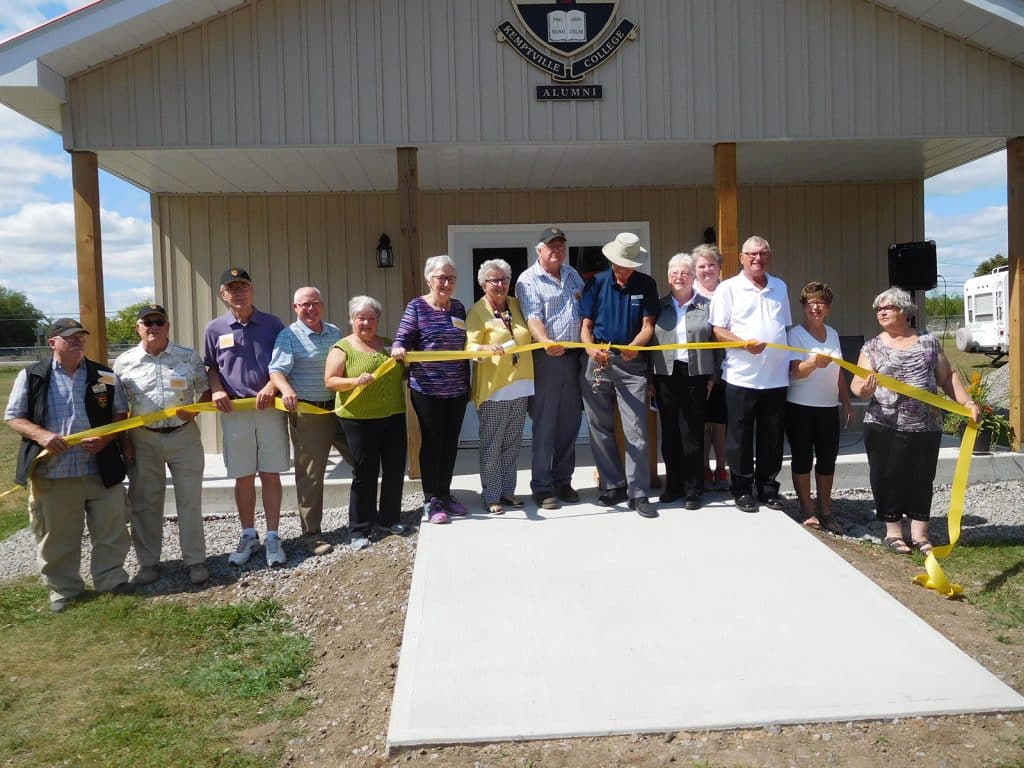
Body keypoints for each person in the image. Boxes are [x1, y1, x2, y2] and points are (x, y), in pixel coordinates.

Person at [5, 319, 133, 612]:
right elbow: (14, 416)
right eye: (69, 338)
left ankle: (111, 579)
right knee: (57, 535)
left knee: (112, 530)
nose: (77, 342)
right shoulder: (33, 375)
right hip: (55, 472)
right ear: (52, 343)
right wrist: (42, 435)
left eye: (80, 337)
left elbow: (121, 413)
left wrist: (106, 438)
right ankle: (64, 590)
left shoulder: (104, 374)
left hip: (101, 468)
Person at [850, 287, 979, 554]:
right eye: (878, 309)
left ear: (905, 312)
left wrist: (967, 403)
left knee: (921, 477)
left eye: (888, 307)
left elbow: (946, 377)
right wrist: (866, 389)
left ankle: (920, 535)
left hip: (926, 425)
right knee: (887, 477)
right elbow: (857, 387)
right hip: (884, 425)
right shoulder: (872, 347)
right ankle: (894, 532)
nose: (882, 312)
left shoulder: (929, 341)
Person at [114, 304, 211, 586]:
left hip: (184, 436)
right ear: (138, 327)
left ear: (168, 326)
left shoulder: (187, 356)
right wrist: (124, 441)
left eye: (159, 322)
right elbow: (119, 407)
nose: (153, 327)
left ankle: (195, 560)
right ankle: (148, 563)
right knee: (145, 503)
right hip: (143, 438)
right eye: (148, 323)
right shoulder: (124, 362)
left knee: (190, 501)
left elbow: (206, 388)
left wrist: (195, 410)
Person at [204, 266, 289, 567]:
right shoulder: (215, 329)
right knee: (242, 475)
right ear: (223, 294)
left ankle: (274, 536)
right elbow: (212, 367)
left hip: (268, 408)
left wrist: (270, 386)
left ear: (252, 290)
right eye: (232, 288)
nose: (238, 293)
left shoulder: (272, 324)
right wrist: (216, 390)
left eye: (243, 287)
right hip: (234, 411)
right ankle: (248, 534)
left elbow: (282, 361)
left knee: (270, 472)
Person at [709, 235, 792, 514]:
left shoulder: (780, 286)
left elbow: (785, 328)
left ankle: (768, 489)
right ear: (742, 258)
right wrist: (742, 344)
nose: (758, 258)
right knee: (740, 438)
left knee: (772, 437)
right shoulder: (728, 288)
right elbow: (718, 330)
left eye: (764, 253)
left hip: (776, 378)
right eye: (752, 254)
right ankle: (742, 489)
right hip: (741, 377)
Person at [580, 232, 660, 518]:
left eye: (628, 265)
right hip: (598, 360)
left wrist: (635, 348)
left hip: (632, 365)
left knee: (635, 429)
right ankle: (611, 486)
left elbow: (648, 325)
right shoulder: (597, 283)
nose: (622, 269)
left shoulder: (646, 284)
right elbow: (585, 326)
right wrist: (590, 350)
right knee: (599, 428)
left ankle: (638, 494)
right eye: (619, 263)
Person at [269, 286, 353, 557]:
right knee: (311, 477)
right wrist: (286, 389)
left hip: (339, 409)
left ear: (322, 304)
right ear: (295, 308)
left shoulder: (333, 332)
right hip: (309, 413)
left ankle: (364, 520)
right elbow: (276, 370)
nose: (311, 309)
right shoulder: (289, 335)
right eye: (305, 305)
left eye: (315, 303)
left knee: (361, 461)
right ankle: (311, 535)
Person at [392, 255, 470, 524]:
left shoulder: (458, 309)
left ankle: (446, 493)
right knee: (432, 442)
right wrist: (399, 348)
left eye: (451, 278)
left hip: (457, 389)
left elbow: (466, 343)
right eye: (441, 278)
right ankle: (432, 498)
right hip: (427, 389)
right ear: (429, 280)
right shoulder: (416, 306)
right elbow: (402, 337)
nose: (446, 283)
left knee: (450, 443)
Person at [325, 296, 407, 549]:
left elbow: (404, 372)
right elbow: (330, 380)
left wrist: (405, 358)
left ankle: (389, 519)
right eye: (361, 318)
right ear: (351, 320)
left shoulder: (388, 345)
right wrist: (354, 382)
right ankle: (360, 528)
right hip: (359, 420)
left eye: (372, 318)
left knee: (394, 470)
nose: (367, 323)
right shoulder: (342, 348)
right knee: (364, 473)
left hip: (393, 415)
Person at [514, 226, 586, 510]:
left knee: (570, 423)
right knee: (546, 424)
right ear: (539, 250)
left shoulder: (572, 274)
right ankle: (542, 488)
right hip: (548, 357)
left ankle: (563, 481)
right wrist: (545, 341)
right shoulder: (527, 280)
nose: (556, 251)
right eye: (550, 246)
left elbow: (584, 307)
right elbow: (533, 316)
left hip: (574, 356)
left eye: (560, 246)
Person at [466, 259, 535, 515]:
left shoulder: (516, 305)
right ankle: (491, 495)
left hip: (521, 384)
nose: (500, 284)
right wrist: (484, 349)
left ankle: (508, 491)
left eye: (504, 279)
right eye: (494, 280)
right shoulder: (477, 311)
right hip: (495, 388)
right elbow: (469, 347)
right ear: (483, 284)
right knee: (492, 444)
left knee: (512, 443)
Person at [651, 253, 719, 510]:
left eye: (685, 273)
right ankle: (673, 484)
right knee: (669, 432)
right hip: (665, 374)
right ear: (668, 277)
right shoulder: (659, 306)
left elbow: (718, 345)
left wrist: (713, 376)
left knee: (692, 432)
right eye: (674, 273)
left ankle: (693, 488)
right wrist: (649, 380)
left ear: (693, 276)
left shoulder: (707, 306)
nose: (679, 277)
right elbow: (649, 341)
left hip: (696, 374)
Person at [785, 283, 853, 534]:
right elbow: (795, 371)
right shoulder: (795, 335)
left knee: (828, 459)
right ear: (803, 307)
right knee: (802, 458)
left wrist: (845, 402)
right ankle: (806, 509)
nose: (815, 307)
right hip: (800, 406)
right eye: (810, 303)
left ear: (828, 307)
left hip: (828, 406)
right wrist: (812, 363)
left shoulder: (833, 334)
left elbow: (838, 373)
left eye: (821, 302)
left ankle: (825, 509)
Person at [692, 243, 729, 489]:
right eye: (702, 266)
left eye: (711, 265)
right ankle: (704, 466)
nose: (707, 270)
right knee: (702, 421)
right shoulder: (689, 296)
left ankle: (722, 467)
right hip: (699, 369)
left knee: (722, 420)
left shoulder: (728, 292)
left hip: (728, 367)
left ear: (719, 268)